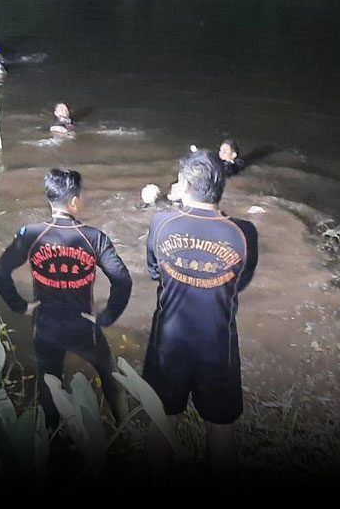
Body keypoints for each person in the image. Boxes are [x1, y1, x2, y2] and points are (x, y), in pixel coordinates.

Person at [143, 150, 258, 473]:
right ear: (221, 187)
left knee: (162, 425)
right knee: (221, 433)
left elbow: (154, 272)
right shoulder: (244, 233)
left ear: (183, 185)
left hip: (169, 343)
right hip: (217, 347)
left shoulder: (161, 223)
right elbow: (239, 282)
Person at [0, 168, 132, 427]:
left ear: (50, 199)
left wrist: (20, 306)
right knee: (111, 379)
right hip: (84, 327)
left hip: (46, 327)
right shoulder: (94, 238)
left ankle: (51, 440)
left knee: (49, 387)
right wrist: (107, 317)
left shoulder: (31, 234)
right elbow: (122, 281)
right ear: (74, 201)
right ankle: (126, 432)